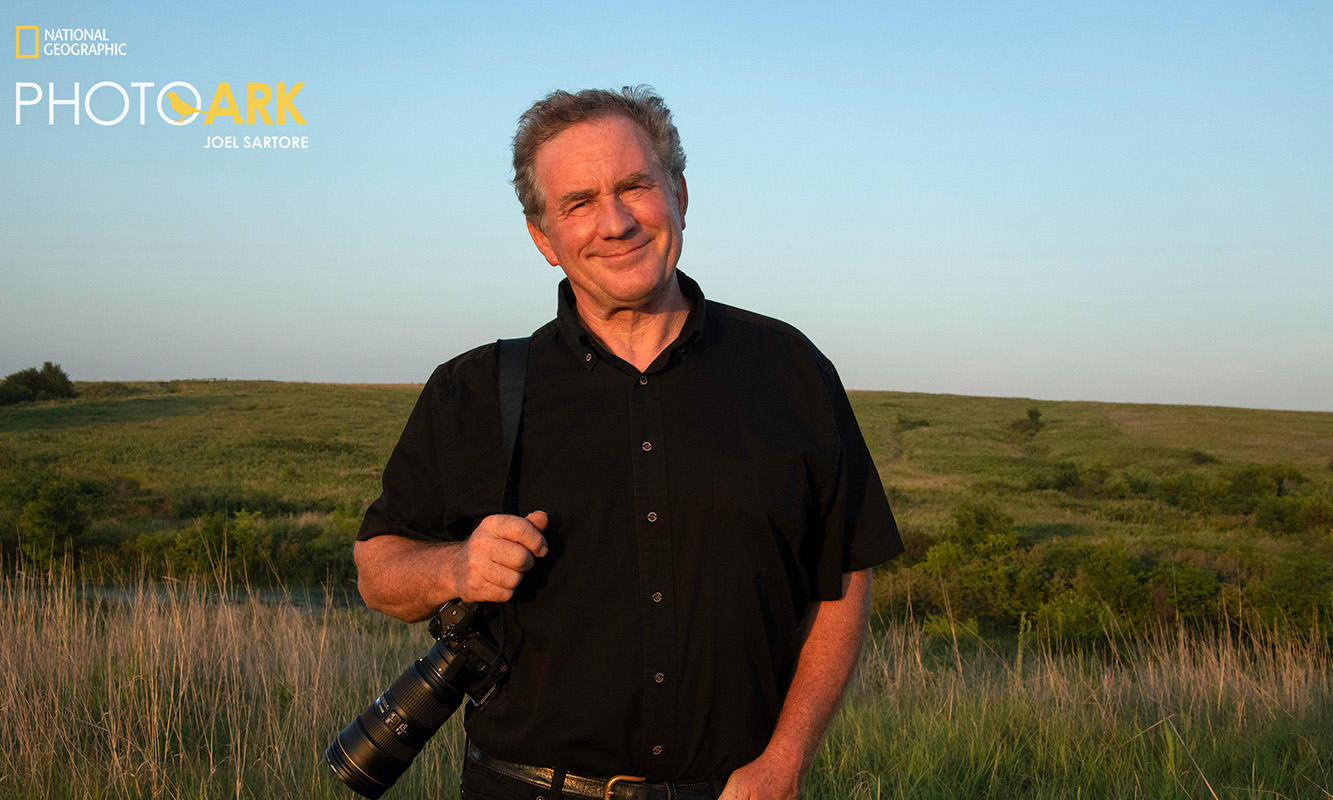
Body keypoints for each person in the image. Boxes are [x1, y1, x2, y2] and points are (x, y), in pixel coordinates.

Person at [354, 85, 903, 800]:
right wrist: (457, 566)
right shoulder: (473, 390)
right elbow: (378, 570)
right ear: (543, 238)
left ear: (679, 194)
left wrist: (785, 760)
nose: (614, 223)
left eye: (635, 186)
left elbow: (843, 576)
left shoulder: (789, 370)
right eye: (578, 203)